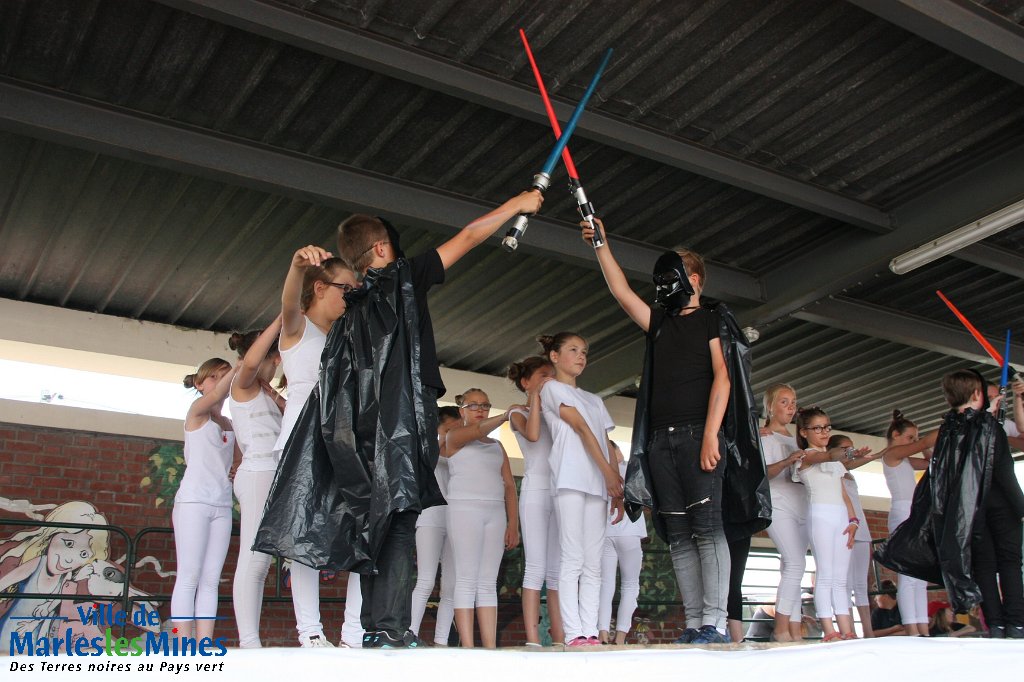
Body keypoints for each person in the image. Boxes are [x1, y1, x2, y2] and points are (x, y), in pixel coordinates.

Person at [257, 191, 543, 649]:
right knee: (400, 514)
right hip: (405, 421)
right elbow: (470, 235)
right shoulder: (405, 276)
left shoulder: (347, 312)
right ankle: (388, 627)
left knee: (376, 519)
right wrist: (517, 205)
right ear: (384, 248)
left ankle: (374, 626)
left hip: (362, 431)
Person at [582, 220, 770, 646]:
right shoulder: (661, 324)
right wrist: (601, 245)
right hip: (660, 441)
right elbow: (621, 292)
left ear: (695, 278)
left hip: (696, 436)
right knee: (680, 535)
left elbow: (724, 378)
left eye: (675, 273)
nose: (665, 283)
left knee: (708, 528)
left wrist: (709, 435)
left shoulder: (711, 319)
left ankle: (716, 622)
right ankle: (694, 622)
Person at [257, 247, 361, 648]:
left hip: (342, 444)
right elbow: (288, 303)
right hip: (300, 444)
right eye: (345, 289)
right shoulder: (298, 329)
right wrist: (295, 267)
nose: (351, 296)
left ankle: (353, 632)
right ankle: (311, 632)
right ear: (319, 288)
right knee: (301, 536)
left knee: (357, 530)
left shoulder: (345, 338)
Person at [876, 370, 1024, 638]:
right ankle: (1017, 622)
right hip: (1000, 506)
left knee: (985, 567)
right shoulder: (989, 427)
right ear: (978, 394)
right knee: (1011, 563)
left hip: (969, 513)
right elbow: (1003, 471)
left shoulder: (947, 430)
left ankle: (997, 625)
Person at [539, 332, 624, 646]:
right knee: (572, 557)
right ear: (555, 356)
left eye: (584, 351)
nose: (580, 356)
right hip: (570, 478)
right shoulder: (550, 388)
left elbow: (605, 442)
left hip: (599, 485)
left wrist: (617, 488)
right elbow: (579, 427)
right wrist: (608, 474)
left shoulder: (595, 399)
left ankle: (590, 632)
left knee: (594, 561)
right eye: (573, 350)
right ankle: (573, 633)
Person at [443, 389, 519, 648]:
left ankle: (489, 646)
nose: (480, 409)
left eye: (484, 405)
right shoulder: (454, 436)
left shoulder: (497, 446)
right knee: (466, 578)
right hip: (464, 510)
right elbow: (476, 432)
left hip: (495, 513)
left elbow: (509, 485)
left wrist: (514, 525)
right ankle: (467, 645)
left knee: (488, 581)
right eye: (473, 405)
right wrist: (504, 417)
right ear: (461, 410)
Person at [228, 321, 285, 648]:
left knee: (260, 561)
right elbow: (251, 363)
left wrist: (276, 395)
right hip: (259, 472)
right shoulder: (243, 382)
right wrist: (280, 320)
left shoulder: (263, 390)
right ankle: (249, 642)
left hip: (270, 473)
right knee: (253, 559)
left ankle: (251, 641)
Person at [171, 358, 236, 643]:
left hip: (222, 505)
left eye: (224, 375)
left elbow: (236, 461)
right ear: (199, 384)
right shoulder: (196, 412)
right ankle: (184, 644)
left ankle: (204, 642)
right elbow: (216, 395)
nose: (220, 381)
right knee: (189, 576)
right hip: (193, 503)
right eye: (213, 377)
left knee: (211, 579)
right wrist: (242, 364)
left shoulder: (229, 423)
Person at [507, 356, 564, 645]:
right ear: (526, 381)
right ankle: (532, 639)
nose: (549, 379)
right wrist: (535, 398)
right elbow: (532, 434)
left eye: (552, 375)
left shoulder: (557, 410)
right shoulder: (517, 411)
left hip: (559, 491)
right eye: (543, 375)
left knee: (556, 570)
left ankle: (561, 638)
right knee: (536, 567)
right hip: (535, 491)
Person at [0, 502, 109, 643]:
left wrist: (43, 611)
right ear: (51, 536)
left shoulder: (67, 576)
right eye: (68, 543)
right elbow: (4, 583)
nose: (70, 559)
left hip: (35, 633)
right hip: (11, 629)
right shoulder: (38, 563)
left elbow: (57, 600)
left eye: (83, 554)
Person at [794, 407, 859, 641]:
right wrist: (847, 455)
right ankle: (829, 630)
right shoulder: (804, 456)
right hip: (819, 515)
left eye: (827, 427)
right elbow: (823, 456)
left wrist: (853, 520)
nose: (823, 432)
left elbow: (843, 493)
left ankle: (847, 629)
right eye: (817, 428)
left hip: (841, 516)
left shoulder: (835, 461)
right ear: (804, 432)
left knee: (841, 577)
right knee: (826, 574)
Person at [758, 383, 806, 642]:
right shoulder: (764, 435)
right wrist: (788, 461)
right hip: (778, 503)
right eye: (784, 402)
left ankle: (795, 630)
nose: (790, 407)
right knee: (797, 563)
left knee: (792, 566)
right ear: (770, 407)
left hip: (802, 503)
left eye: (793, 402)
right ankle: (780, 629)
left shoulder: (798, 438)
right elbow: (762, 474)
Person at [409, 406, 460, 646]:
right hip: (430, 517)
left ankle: (441, 641)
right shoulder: (428, 449)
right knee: (426, 580)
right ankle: (411, 633)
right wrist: (443, 440)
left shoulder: (463, 451)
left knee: (451, 586)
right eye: (449, 428)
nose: (453, 433)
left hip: (456, 519)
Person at [881, 409, 930, 636]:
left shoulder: (906, 460)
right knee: (908, 573)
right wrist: (923, 441)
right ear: (896, 435)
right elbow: (923, 447)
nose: (914, 441)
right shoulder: (892, 455)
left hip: (914, 512)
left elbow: (931, 460)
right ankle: (912, 626)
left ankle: (923, 626)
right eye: (910, 437)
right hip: (902, 512)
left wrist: (921, 443)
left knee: (920, 575)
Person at [828, 433, 880, 637]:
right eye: (846, 449)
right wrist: (866, 458)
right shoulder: (833, 469)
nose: (851, 452)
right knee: (845, 582)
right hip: (844, 527)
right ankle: (847, 629)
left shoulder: (850, 473)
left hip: (862, 527)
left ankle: (868, 630)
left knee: (861, 583)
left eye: (852, 448)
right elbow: (844, 464)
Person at [598, 442, 647, 645]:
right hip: (631, 533)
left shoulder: (600, 471)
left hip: (605, 533)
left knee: (605, 585)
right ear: (615, 451)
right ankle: (619, 637)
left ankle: (601, 633)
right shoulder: (632, 468)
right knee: (630, 585)